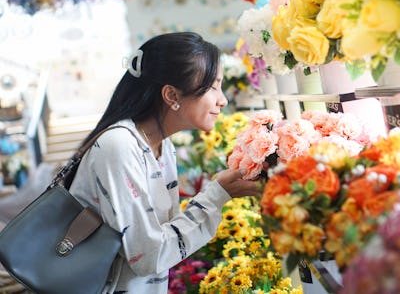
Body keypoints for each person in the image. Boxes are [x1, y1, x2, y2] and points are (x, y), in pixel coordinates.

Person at [67, 32, 261, 293]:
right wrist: (217, 195)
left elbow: (163, 243)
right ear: (171, 95)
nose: (222, 100)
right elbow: (149, 257)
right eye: (213, 87)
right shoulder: (120, 147)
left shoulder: (161, 146)